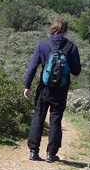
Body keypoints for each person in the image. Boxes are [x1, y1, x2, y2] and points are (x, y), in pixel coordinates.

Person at [24, 18, 81, 162]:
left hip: (43, 89)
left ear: (52, 28)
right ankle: (51, 154)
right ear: (65, 30)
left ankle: (33, 151)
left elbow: (32, 68)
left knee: (38, 117)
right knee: (56, 120)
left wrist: (27, 86)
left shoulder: (42, 46)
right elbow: (76, 71)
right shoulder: (71, 47)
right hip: (61, 91)